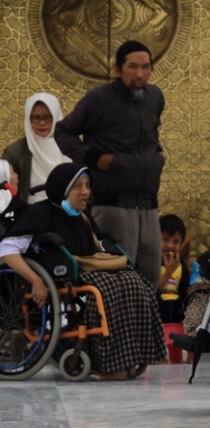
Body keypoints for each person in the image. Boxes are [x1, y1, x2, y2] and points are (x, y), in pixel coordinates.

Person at [0, 163, 168, 379]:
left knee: (136, 281)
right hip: (61, 272)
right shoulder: (39, 212)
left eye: (88, 185)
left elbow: (99, 244)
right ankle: (108, 362)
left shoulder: (81, 215)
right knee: (108, 289)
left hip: (87, 267)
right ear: (63, 188)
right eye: (78, 186)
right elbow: (7, 250)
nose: (86, 191)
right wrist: (35, 280)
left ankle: (136, 354)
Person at [55, 41, 166, 290]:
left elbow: (151, 132)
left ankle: (144, 329)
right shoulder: (99, 99)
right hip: (113, 203)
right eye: (133, 67)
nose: (140, 74)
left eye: (146, 67)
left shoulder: (155, 96)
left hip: (147, 202)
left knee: (149, 274)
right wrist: (94, 157)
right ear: (118, 69)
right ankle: (115, 329)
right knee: (120, 275)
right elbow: (63, 133)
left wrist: (157, 154)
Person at [4, 93, 69, 204]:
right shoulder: (15, 152)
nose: (42, 123)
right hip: (29, 215)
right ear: (28, 119)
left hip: (67, 213)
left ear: (56, 116)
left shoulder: (70, 147)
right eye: (36, 118)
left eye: (48, 117)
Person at [156, 213, 202, 324]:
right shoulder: (152, 264)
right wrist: (169, 271)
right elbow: (152, 291)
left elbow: (184, 290)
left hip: (177, 309)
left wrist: (197, 287)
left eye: (176, 241)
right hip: (158, 309)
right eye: (165, 239)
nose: (170, 245)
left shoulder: (181, 266)